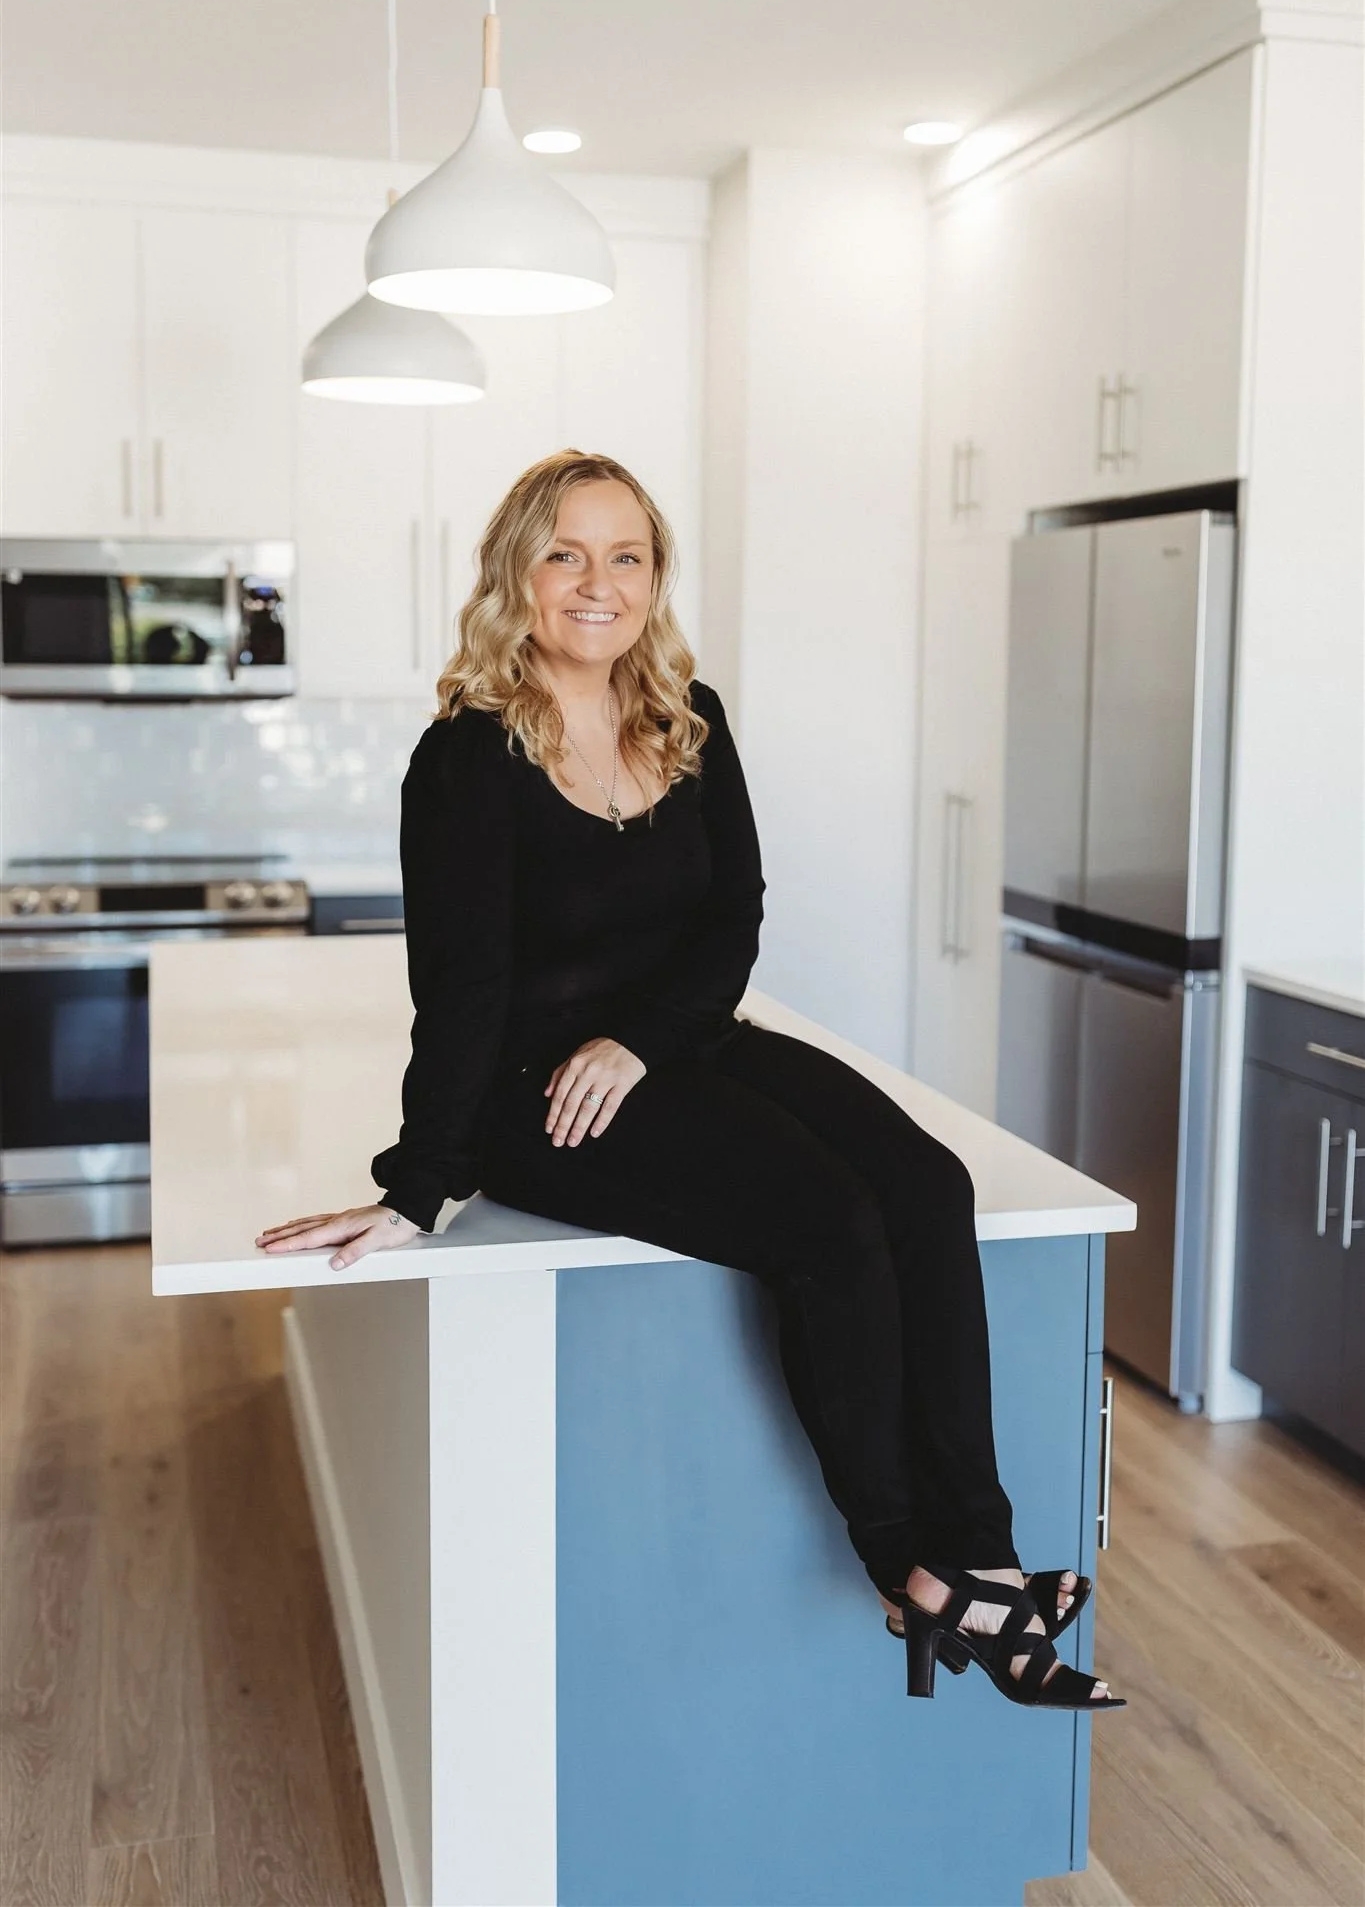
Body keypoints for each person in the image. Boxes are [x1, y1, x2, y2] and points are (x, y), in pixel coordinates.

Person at [257, 449, 1123, 1712]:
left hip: (674, 1042)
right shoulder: (466, 757)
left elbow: (732, 918)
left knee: (927, 1182)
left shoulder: (689, 712)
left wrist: (644, 1040)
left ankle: (980, 1546)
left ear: (655, 578)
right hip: (533, 1092)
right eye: (565, 552)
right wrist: (417, 1182)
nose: (597, 583)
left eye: (627, 554)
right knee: (827, 1220)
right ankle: (908, 1567)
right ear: (518, 575)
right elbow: (461, 986)